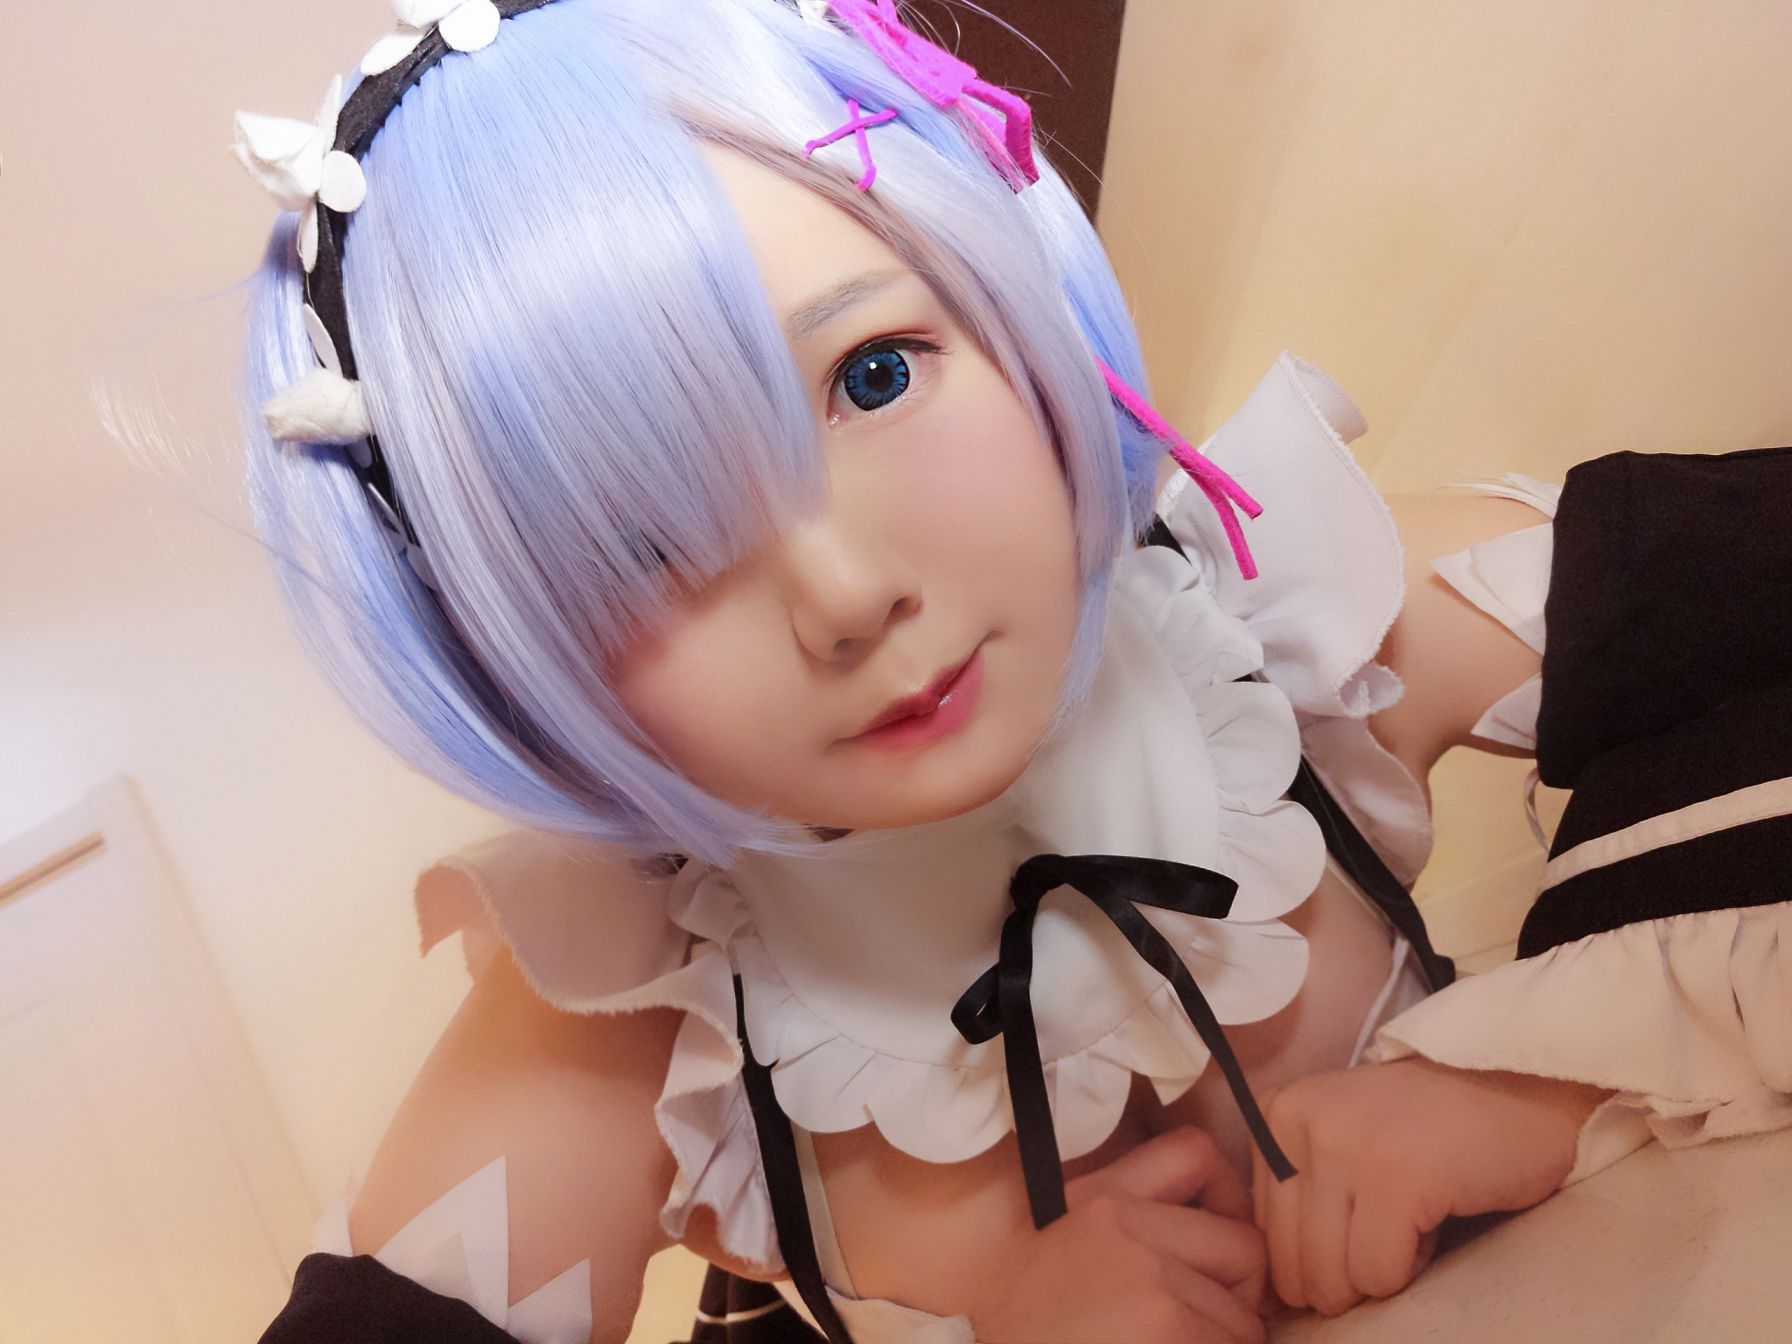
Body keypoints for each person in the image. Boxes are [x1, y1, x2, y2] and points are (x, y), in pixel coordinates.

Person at [238, 3, 1792, 1340]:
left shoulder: (1289, 622)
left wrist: (1532, 1079)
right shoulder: (635, 994)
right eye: (638, 543)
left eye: (874, 374)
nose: (844, 596)